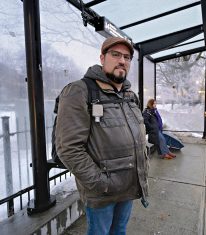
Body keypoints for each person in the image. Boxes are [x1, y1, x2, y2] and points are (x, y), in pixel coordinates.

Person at [55, 37, 149, 235]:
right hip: (102, 192)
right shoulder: (79, 91)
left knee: (120, 231)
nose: (122, 60)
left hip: (129, 184)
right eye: (115, 55)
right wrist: (101, 183)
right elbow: (68, 148)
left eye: (127, 57)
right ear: (102, 58)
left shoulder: (129, 95)